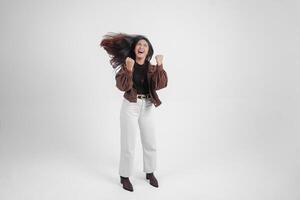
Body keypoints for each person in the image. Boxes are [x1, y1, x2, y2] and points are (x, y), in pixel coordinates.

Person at [100, 32, 168, 192]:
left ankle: (150, 172)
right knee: (128, 144)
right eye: (139, 44)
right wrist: (129, 70)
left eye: (145, 45)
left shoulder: (151, 67)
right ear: (134, 49)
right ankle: (124, 176)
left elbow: (161, 84)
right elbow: (122, 87)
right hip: (130, 105)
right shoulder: (126, 65)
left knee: (150, 141)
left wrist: (160, 65)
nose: (142, 47)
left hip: (147, 105)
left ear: (148, 50)